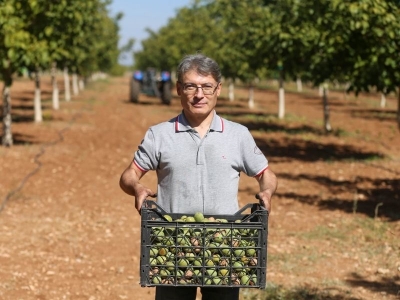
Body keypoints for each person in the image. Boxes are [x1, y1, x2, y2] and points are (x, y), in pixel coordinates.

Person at [119, 53, 278, 300]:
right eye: (191, 86)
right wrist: (137, 188)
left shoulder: (238, 135)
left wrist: (267, 192)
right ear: (179, 89)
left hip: (224, 247)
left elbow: (265, 174)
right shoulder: (160, 135)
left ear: (218, 89)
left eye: (206, 86)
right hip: (173, 247)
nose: (199, 94)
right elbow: (129, 174)